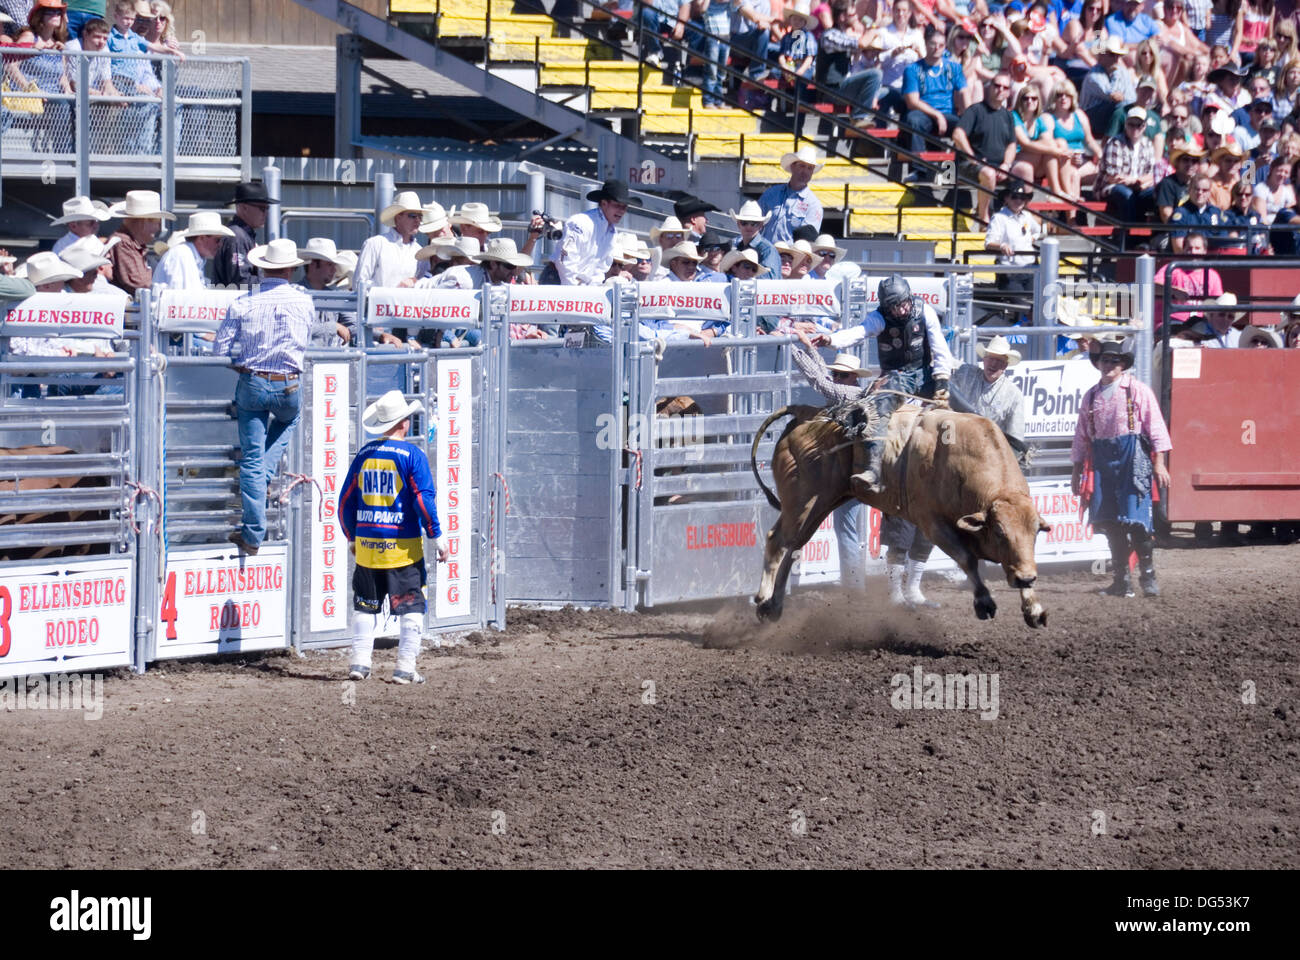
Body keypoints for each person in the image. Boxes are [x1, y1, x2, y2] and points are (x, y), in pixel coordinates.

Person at [211, 238, 316, 556]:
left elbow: (220, 350)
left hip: (254, 382)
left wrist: (239, 365)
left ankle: (254, 533)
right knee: (290, 418)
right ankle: (263, 479)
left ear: (261, 267)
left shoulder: (243, 302)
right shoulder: (305, 301)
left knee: (252, 460)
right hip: (289, 384)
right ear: (290, 269)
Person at [338, 389, 449, 685]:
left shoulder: (363, 454)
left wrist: (352, 537)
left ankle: (359, 663)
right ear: (402, 422)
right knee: (412, 606)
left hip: (368, 548)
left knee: (365, 605)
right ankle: (404, 667)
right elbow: (423, 501)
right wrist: (436, 535)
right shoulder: (413, 455)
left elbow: (345, 501)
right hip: (403, 549)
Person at [1070, 338, 1172, 598]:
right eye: (1105, 360)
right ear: (1099, 363)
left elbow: (1155, 426)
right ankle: (1121, 580)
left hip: (1132, 457)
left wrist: (1159, 463)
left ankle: (1148, 577)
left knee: (1137, 521)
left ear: (1123, 364)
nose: (1109, 365)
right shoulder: (1091, 395)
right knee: (1111, 523)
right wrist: (1076, 470)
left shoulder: (1137, 390)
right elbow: (1082, 435)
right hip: (1102, 460)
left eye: (1114, 361)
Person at [789, 331, 872, 592]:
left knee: (845, 527)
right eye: (837, 374)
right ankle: (854, 582)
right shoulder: (851, 391)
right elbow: (824, 378)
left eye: (842, 375)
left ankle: (855, 586)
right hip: (851, 469)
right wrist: (805, 346)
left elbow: (820, 381)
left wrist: (791, 348)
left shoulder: (850, 395)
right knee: (845, 527)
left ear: (853, 378)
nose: (837, 378)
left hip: (849, 471)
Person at [953, 71, 1022, 222]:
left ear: (1009, 92)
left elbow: (1011, 144)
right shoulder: (975, 110)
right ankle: (984, 219)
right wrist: (973, 158)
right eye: (997, 86)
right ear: (989, 87)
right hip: (969, 165)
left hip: (998, 166)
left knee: (1025, 170)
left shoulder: (1008, 115)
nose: (1000, 90)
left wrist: (1006, 164)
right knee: (989, 174)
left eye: (1005, 87)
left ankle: (1019, 217)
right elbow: (958, 134)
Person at [947, 335, 1028, 457]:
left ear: (1005, 366)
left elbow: (1016, 438)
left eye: (999, 361)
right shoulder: (966, 373)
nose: (994, 364)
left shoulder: (1013, 395)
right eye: (991, 359)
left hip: (990, 454)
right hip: (959, 446)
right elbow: (945, 361)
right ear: (984, 360)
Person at [543, 178, 629, 285]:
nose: (621, 211)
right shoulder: (581, 222)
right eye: (617, 205)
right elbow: (565, 261)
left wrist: (593, 288)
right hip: (558, 280)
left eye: (624, 207)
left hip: (578, 284)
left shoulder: (612, 232)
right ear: (603, 203)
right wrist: (574, 290)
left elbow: (600, 267)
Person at [901, 25, 968, 156]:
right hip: (923, 114)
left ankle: (966, 168)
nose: (937, 48)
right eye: (933, 44)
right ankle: (919, 169)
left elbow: (964, 93)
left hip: (948, 114)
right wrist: (937, 115)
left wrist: (970, 116)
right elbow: (912, 102)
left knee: (971, 126)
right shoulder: (913, 69)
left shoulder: (954, 68)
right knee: (913, 120)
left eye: (941, 45)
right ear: (926, 44)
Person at [104, 189, 173, 296]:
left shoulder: (131, 244)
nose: (158, 227)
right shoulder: (123, 243)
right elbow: (140, 284)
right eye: (157, 221)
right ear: (143, 222)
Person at [1098, 106, 1158, 227]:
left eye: (1139, 125)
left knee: (1156, 193)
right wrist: (1138, 180)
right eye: (1131, 124)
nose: (1135, 128)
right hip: (1112, 188)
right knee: (1126, 194)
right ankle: (1127, 238)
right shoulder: (1115, 142)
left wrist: (1137, 180)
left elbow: (1151, 174)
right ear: (1126, 124)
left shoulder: (1148, 144)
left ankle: (1148, 238)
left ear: (1144, 126)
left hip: (1139, 186)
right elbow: (1113, 177)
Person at [151, 210, 233, 293]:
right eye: (217, 240)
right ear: (201, 238)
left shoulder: (189, 256)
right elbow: (183, 299)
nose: (220, 244)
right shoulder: (183, 255)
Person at [212, 181, 274, 289]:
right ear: (244, 208)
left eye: (267, 208)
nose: (266, 213)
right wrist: (270, 281)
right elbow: (241, 282)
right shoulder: (237, 236)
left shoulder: (242, 235)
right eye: (262, 208)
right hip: (235, 303)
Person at [759, 145, 825, 243]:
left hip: (791, 257)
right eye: (802, 166)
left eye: (810, 168)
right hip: (766, 253)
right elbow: (755, 222)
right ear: (792, 166)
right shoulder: (771, 193)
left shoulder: (813, 205)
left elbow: (807, 241)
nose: (805, 171)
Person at [298, 237, 355, 347]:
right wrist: (334, 327)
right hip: (305, 360)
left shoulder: (335, 295)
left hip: (328, 361)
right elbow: (298, 327)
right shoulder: (296, 293)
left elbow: (354, 324)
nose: (334, 270)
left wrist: (380, 335)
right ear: (313, 264)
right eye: (329, 264)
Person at [984, 184, 1042, 292]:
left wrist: (1030, 239)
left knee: (1036, 303)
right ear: (1007, 198)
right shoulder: (999, 218)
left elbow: (1037, 230)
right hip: (1010, 271)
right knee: (1021, 305)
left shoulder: (1027, 216)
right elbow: (988, 243)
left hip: (1030, 268)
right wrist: (1002, 246)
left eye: (1022, 198)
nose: (1018, 200)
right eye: (1014, 197)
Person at [728, 199, 783, 277]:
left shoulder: (767, 249)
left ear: (761, 226)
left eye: (754, 224)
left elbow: (771, 280)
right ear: (738, 224)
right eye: (744, 223)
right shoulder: (739, 247)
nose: (748, 227)